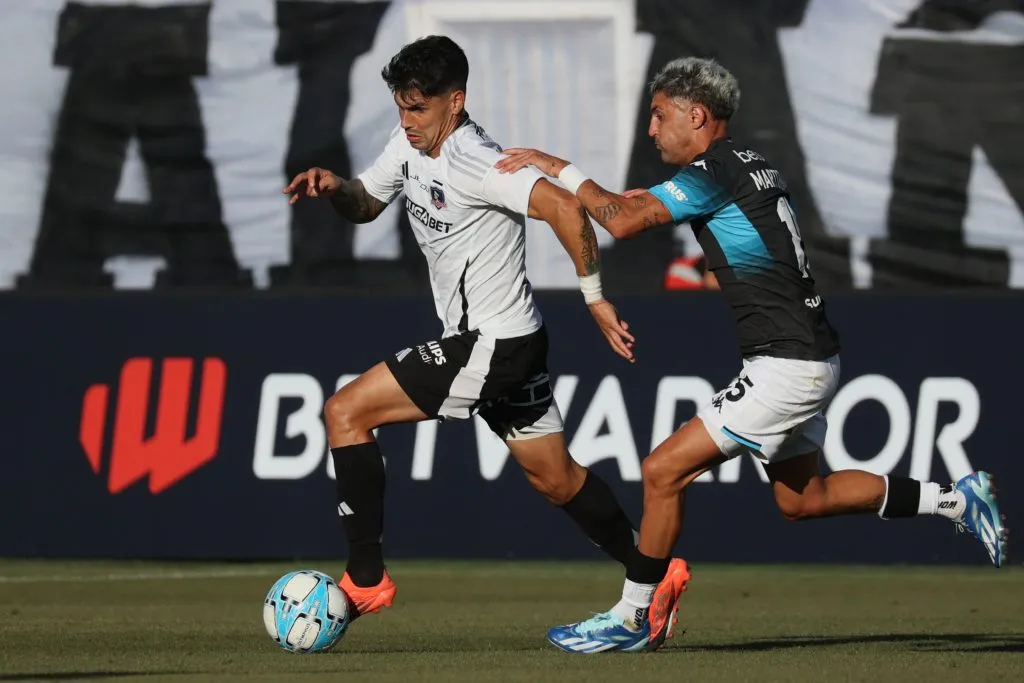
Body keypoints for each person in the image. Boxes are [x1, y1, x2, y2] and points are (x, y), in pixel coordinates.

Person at [496, 56, 1009, 653]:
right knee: (803, 499)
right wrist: (603, 197)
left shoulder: (716, 170)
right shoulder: (748, 165)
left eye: (659, 116)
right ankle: (956, 498)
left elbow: (626, 221)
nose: (652, 130)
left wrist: (558, 166)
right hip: (810, 356)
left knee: (662, 471)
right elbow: (639, 204)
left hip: (787, 365)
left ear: (697, 114)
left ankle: (634, 615)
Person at [282, 35, 690, 647]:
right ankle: (650, 575)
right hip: (509, 344)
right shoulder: (409, 143)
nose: (407, 121)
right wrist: (335, 187)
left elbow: (566, 210)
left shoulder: (476, 159)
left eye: (419, 109)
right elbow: (367, 204)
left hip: (492, 344)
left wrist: (595, 297)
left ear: (456, 101)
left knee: (344, 411)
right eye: (400, 106)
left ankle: (365, 578)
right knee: (557, 480)